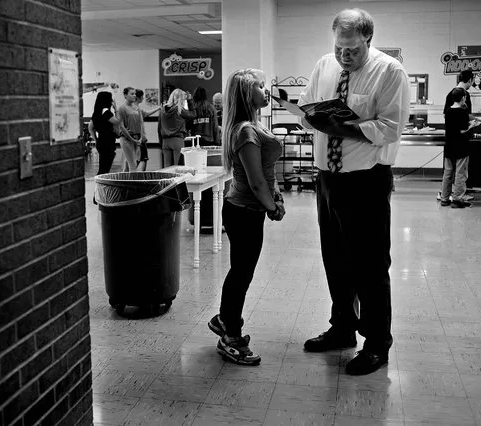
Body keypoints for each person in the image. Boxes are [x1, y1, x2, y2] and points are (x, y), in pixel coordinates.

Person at [299, 8, 410, 376]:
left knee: (370, 264)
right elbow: (306, 107)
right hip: (327, 178)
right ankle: (342, 328)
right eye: (339, 48)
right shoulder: (324, 65)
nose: (344, 57)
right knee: (335, 258)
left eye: (353, 50)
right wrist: (310, 116)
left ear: (368, 40)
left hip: (366, 180)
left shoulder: (389, 71)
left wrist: (345, 128)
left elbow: (392, 127)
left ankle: (377, 343)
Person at [206, 69, 285, 366]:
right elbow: (255, 181)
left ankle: (225, 320)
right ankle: (230, 335)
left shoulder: (252, 125)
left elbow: (266, 174)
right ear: (245, 94)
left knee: (242, 271)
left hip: (251, 209)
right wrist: (272, 207)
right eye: (260, 87)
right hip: (243, 210)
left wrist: (275, 198)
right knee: (241, 273)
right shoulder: (245, 131)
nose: (266, 91)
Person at [440, 87, 480, 208]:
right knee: (460, 174)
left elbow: (453, 127)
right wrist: (472, 125)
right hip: (461, 146)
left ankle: (444, 198)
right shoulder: (462, 112)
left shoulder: (448, 111)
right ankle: (457, 199)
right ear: (463, 98)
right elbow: (463, 130)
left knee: (447, 173)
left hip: (449, 146)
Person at [88, 91, 122, 204]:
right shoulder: (106, 111)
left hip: (101, 142)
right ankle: (97, 195)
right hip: (108, 143)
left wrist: (96, 139)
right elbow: (117, 121)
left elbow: (90, 127)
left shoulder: (96, 112)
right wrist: (116, 108)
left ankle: (99, 195)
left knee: (103, 169)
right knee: (104, 171)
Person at [158, 89, 196, 166]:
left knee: (167, 167)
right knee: (178, 166)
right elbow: (193, 114)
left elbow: (159, 128)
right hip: (177, 140)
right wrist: (190, 101)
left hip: (165, 141)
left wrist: (161, 142)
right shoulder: (179, 109)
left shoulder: (162, 111)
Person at [117, 87, 143, 172]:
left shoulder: (137, 108)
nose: (134, 95)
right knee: (133, 165)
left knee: (128, 164)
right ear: (125, 95)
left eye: (135, 94)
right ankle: (133, 184)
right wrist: (132, 139)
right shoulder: (122, 108)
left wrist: (140, 138)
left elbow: (141, 123)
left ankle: (123, 183)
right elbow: (121, 126)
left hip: (136, 138)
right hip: (126, 139)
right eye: (132, 94)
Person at [134, 89, 160, 171]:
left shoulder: (137, 108)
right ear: (139, 97)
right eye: (142, 96)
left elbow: (146, 114)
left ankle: (135, 175)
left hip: (138, 137)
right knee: (142, 158)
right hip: (139, 138)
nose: (143, 98)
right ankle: (141, 177)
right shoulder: (135, 109)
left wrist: (158, 108)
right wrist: (142, 137)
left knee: (139, 158)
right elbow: (137, 125)